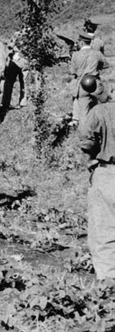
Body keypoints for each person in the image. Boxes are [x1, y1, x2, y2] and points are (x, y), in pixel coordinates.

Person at [78, 78, 114, 279]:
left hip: (109, 172)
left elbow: (86, 140)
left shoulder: (100, 112)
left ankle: (108, 283)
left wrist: (90, 160)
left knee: (104, 230)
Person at [69, 32, 109, 128]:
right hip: (95, 83)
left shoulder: (75, 55)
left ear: (82, 43)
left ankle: (87, 135)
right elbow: (106, 65)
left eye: (78, 42)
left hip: (82, 85)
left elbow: (72, 72)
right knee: (105, 105)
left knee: (84, 113)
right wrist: (97, 68)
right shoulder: (97, 53)